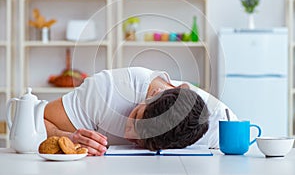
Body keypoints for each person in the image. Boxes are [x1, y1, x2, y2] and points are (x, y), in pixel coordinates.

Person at [44, 67, 237, 156]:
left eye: (142, 142)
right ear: (154, 93)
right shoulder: (107, 91)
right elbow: (34, 119)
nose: (128, 134)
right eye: (136, 116)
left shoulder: (222, 125)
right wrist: (66, 137)